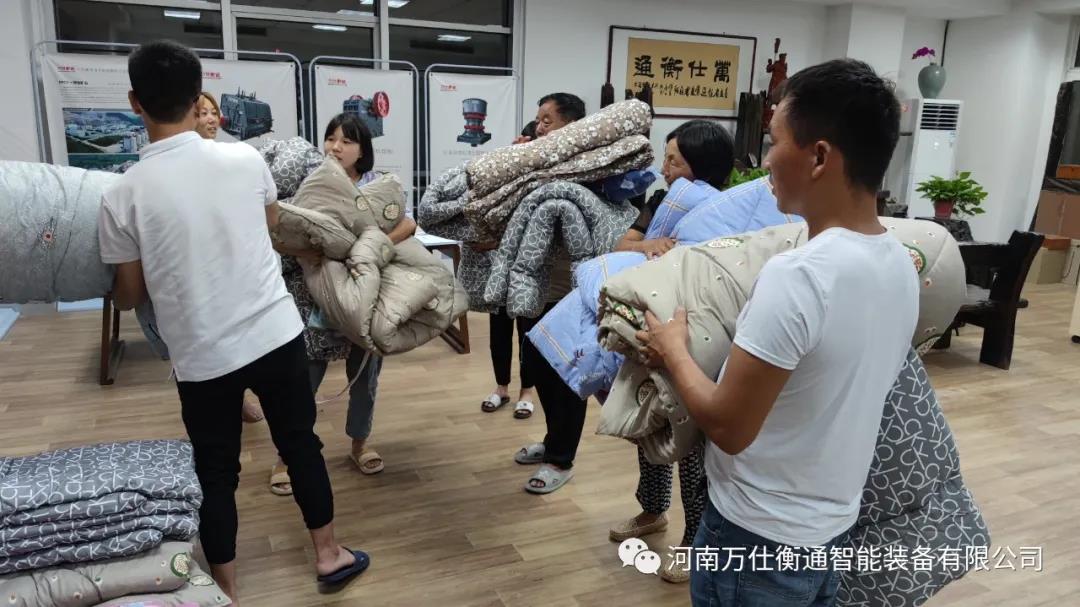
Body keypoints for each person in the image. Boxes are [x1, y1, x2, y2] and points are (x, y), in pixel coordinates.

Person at [635, 58, 916, 606]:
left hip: (755, 535)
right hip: (831, 528)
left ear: (819, 157)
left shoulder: (799, 275)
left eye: (775, 142)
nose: (765, 161)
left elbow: (729, 427)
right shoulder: (898, 261)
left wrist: (674, 352)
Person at [98, 41, 368, 604]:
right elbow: (269, 226)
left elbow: (129, 297)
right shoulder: (245, 159)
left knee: (216, 472)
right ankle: (329, 555)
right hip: (274, 332)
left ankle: (226, 590)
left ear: (134, 102)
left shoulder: (121, 194)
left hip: (202, 355)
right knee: (300, 445)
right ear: (198, 98)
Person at [608, 119, 735, 584]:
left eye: (674, 161)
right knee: (651, 423)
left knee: (692, 443)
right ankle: (652, 510)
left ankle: (695, 541)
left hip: (701, 338)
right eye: (666, 158)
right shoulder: (663, 202)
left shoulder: (727, 210)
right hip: (653, 329)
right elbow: (624, 242)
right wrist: (650, 244)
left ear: (702, 166)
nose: (664, 169)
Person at [269, 112, 417, 495]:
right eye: (331, 138)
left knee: (365, 376)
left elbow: (408, 224)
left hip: (366, 293)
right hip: (315, 294)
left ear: (362, 150)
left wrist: (366, 248)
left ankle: (359, 444)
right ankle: (286, 457)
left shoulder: (376, 184)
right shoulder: (312, 182)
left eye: (346, 141)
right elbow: (283, 231)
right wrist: (309, 250)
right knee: (305, 377)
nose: (335, 147)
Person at [479, 98, 584, 420]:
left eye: (547, 121)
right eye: (538, 121)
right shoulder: (525, 164)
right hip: (507, 266)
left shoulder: (581, 169)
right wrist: (512, 164)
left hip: (549, 279)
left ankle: (528, 393)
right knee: (501, 330)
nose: (540, 128)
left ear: (571, 126)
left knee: (533, 339)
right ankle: (502, 387)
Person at [192, 90, 266, 425]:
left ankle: (240, 395)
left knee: (239, 332)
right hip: (202, 261)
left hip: (234, 258)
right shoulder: (182, 164)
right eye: (202, 113)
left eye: (213, 112)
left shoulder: (231, 156)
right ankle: (225, 400)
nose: (210, 119)